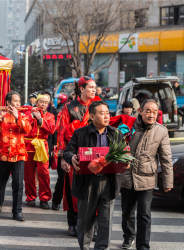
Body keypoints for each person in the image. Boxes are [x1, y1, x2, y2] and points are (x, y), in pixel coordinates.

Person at [63, 101, 123, 250]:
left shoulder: (115, 134)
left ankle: (102, 247)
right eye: (102, 113)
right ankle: (84, 246)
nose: (106, 116)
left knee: (106, 221)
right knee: (85, 220)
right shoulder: (80, 133)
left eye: (108, 113)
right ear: (91, 115)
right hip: (87, 182)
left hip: (108, 182)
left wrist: (125, 161)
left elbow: (124, 152)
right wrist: (72, 158)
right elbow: (67, 151)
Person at [120, 99, 173, 250]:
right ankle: (129, 236)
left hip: (147, 177)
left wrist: (168, 182)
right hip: (127, 176)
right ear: (140, 111)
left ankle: (143, 246)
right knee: (127, 211)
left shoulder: (161, 131)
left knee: (144, 214)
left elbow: (166, 158)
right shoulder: (129, 127)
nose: (151, 115)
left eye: (154, 112)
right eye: (148, 111)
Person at [52, 76, 99, 236]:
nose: (94, 90)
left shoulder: (98, 106)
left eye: (94, 87)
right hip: (74, 154)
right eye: (91, 87)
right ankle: (72, 222)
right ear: (81, 89)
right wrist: (64, 157)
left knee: (93, 190)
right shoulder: (70, 107)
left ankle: (93, 224)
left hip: (95, 154)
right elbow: (62, 132)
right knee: (72, 190)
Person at [0, 90, 32, 221]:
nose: (17, 103)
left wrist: (18, 116)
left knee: (18, 183)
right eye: (15, 101)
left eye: (19, 101)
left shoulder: (23, 116)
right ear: (8, 102)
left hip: (18, 154)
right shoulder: (0, 115)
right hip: (2, 153)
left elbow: (28, 130)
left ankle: (17, 211)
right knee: (1, 180)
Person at [24, 93, 55, 209]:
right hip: (29, 145)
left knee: (44, 173)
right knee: (29, 174)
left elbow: (51, 130)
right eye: (41, 101)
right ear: (36, 102)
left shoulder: (50, 116)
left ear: (48, 104)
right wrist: (32, 116)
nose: (43, 104)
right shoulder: (28, 113)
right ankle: (31, 197)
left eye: (46, 102)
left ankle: (44, 198)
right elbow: (25, 126)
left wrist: (40, 119)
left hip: (42, 145)